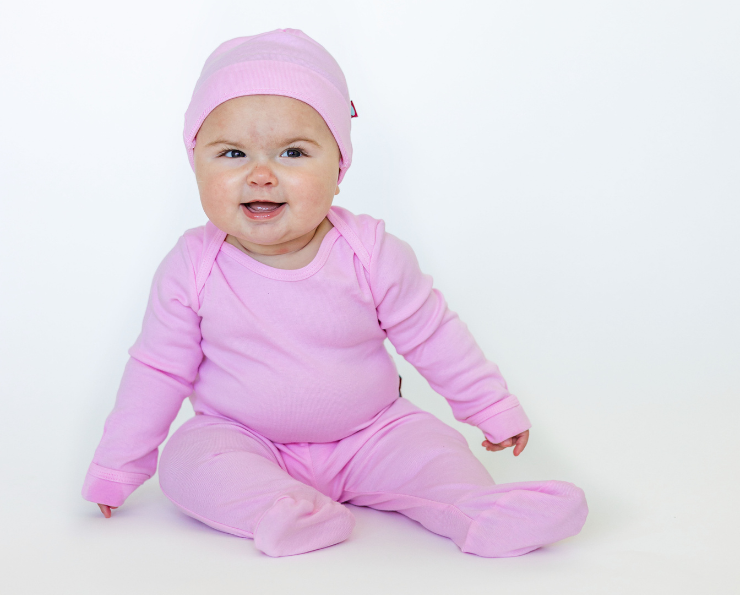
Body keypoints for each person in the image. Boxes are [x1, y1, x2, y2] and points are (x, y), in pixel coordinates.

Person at [82, 28, 588, 557]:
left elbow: (433, 335)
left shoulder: (370, 252)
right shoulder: (192, 266)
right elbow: (158, 370)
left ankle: (481, 512)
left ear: (339, 166)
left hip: (374, 434)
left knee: (434, 451)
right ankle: (279, 510)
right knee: (189, 462)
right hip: (242, 436)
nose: (261, 175)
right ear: (195, 165)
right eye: (232, 153)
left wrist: (490, 406)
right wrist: (118, 465)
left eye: (293, 152)